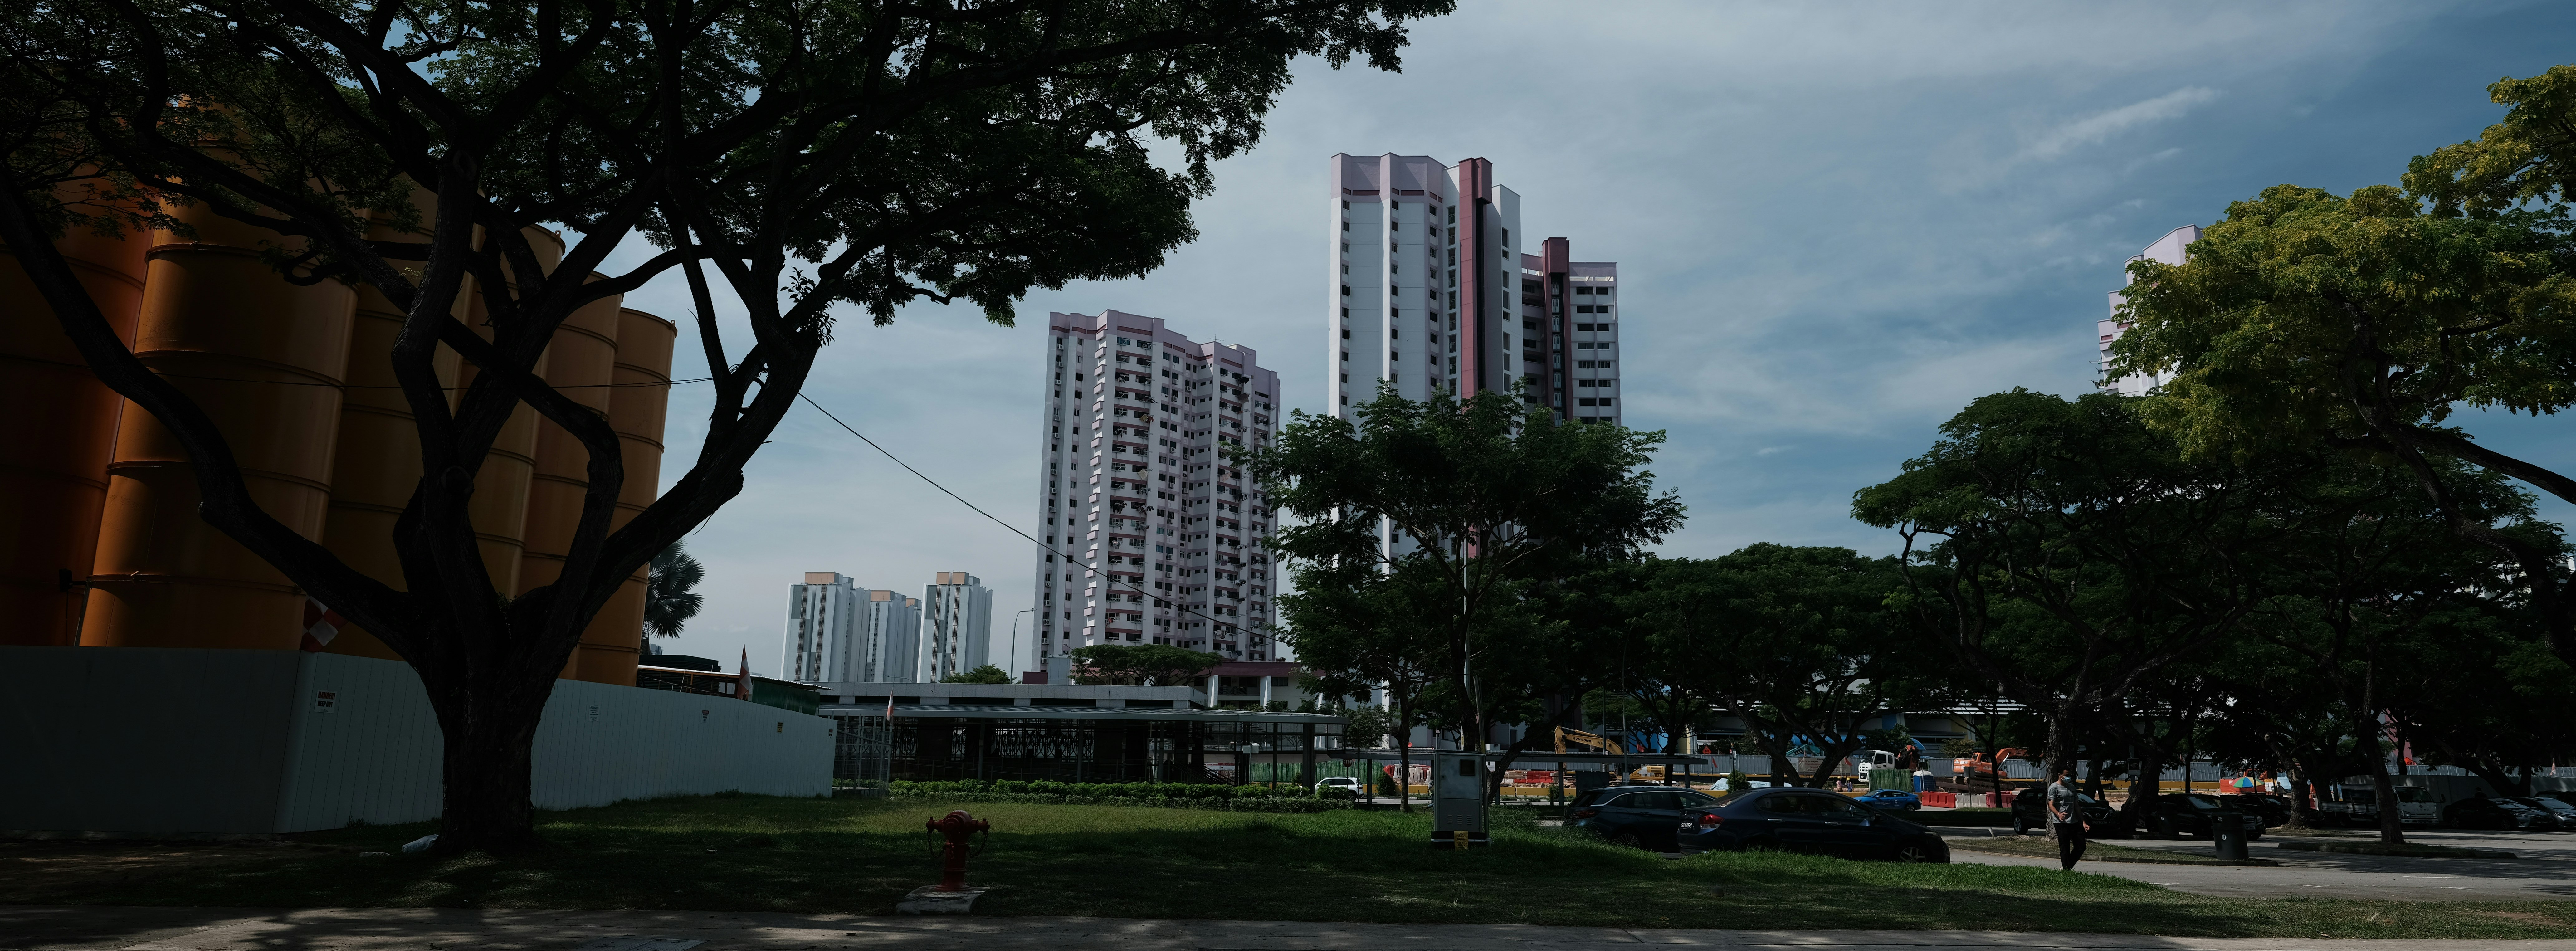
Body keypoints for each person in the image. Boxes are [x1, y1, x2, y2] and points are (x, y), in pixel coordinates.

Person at [2047, 766, 2087, 870]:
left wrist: (2083, 822)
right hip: (2060, 823)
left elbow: (2077, 806)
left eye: (2070, 775)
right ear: (2060, 776)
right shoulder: (2054, 788)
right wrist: (2059, 814)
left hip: (2074, 821)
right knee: (2065, 847)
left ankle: (2067, 867)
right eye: (2066, 775)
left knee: (2081, 846)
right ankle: (2066, 870)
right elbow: (2051, 805)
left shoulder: (2072, 788)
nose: (2068, 777)